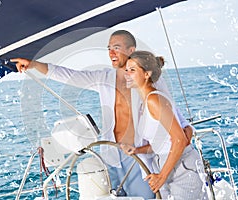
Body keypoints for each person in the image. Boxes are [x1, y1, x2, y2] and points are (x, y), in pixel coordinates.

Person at [11, 30, 193, 198]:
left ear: (131, 49)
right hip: (110, 157)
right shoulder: (103, 77)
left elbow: (174, 117)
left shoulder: (151, 82)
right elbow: (68, 75)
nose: (111, 53)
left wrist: (185, 131)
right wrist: (34, 65)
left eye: (116, 48)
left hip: (138, 157)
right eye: (109, 48)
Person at [123, 50, 207, 199]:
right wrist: (137, 150)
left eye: (132, 70)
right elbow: (161, 143)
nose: (127, 74)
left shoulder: (154, 100)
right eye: (126, 70)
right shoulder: (146, 103)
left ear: (147, 74)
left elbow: (180, 140)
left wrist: (161, 177)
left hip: (182, 167)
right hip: (165, 164)